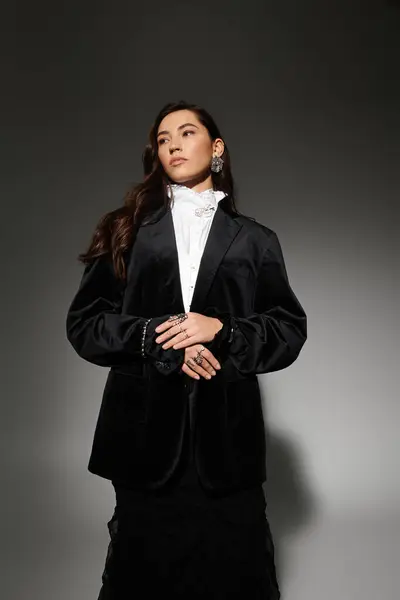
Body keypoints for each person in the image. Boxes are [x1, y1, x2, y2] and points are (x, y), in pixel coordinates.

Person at [65, 100, 307, 599]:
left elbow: (287, 330)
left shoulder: (256, 240)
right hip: (142, 438)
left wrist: (220, 330)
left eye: (187, 132)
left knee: (237, 579)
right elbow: (86, 323)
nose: (173, 143)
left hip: (228, 445)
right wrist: (163, 336)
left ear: (216, 148)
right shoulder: (125, 228)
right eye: (162, 137)